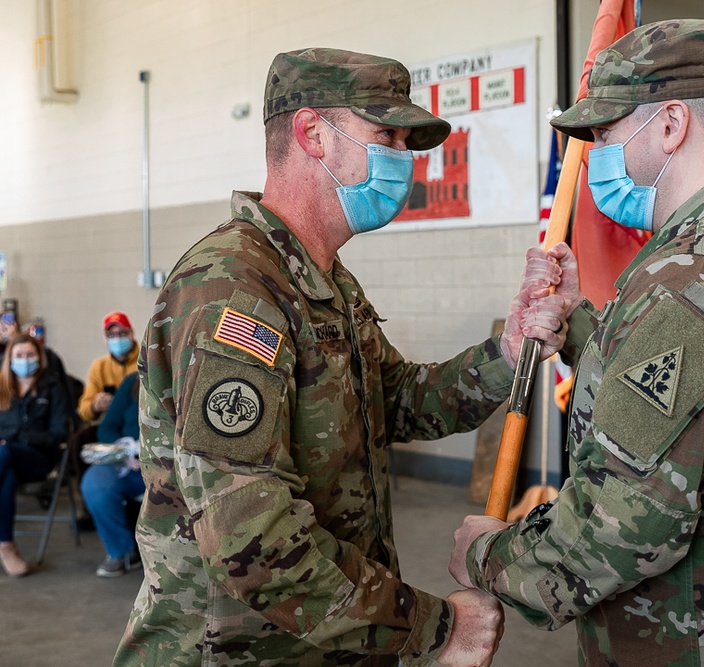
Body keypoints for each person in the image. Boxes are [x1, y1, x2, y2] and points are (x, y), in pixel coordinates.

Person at [115, 48, 567, 667]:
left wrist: (509, 349)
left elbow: (399, 401)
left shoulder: (326, 282)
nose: (404, 159)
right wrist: (435, 628)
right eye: (386, 135)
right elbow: (255, 542)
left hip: (330, 643)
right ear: (312, 134)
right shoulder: (234, 289)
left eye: (408, 141)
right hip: (238, 651)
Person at [450, 19, 704, 666]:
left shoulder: (696, 275)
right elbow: (695, 405)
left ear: (671, 125)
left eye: (608, 134)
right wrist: (575, 325)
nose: (595, 154)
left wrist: (487, 552)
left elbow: (618, 528)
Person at [0, 332, 71, 577]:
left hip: (39, 459)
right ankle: (6, 547)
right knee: (5, 478)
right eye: (19, 355)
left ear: (39, 358)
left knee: (4, 451)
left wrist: (17, 437)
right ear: (9, 358)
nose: (24, 359)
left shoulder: (53, 388)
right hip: (6, 461)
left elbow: (59, 435)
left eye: (29, 354)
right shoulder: (2, 388)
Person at [81, 372, 144, 578]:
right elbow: (107, 427)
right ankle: (122, 551)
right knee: (95, 483)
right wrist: (124, 452)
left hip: (172, 466)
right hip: (130, 463)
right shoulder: (133, 381)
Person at [77, 311, 139, 424]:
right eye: (111, 335)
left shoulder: (146, 361)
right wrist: (95, 406)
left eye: (122, 333)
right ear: (105, 338)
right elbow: (83, 410)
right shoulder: (99, 366)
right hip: (113, 427)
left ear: (132, 333)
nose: (117, 339)